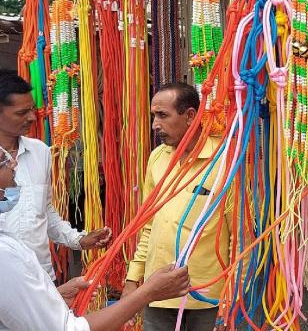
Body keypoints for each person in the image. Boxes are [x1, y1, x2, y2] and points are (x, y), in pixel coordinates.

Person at [0, 152, 191, 331]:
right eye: (4, 160)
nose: (14, 163)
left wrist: (55, 296)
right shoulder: (5, 255)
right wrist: (147, 293)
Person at [122, 83, 242, 331]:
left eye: (162, 115)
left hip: (207, 295)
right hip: (157, 291)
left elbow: (241, 237)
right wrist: (133, 278)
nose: (155, 125)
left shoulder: (224, 159)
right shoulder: (157, 158)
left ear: (189, 116)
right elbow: (148, 225)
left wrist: (234, 294)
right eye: (154, 116)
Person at [0, 70, 112, 281]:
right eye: (21, 113)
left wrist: (79, 240)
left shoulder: (40, 151)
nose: (32, 117)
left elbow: (44, 212)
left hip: (40, 277)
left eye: (32, 110)